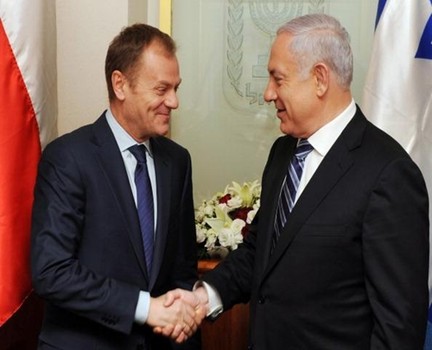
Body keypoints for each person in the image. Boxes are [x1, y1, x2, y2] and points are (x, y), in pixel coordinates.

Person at [177, 13, 429, 349]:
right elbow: (261, 252)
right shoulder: (283, 152)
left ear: (320, 79)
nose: (268, 94)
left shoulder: (389, 173)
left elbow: (399, 325)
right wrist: (204, 296)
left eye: (277, 79)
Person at [31, 23, 204, 350]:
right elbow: (52, 271)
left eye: (176, 88)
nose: (174, 101)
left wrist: (184, 320)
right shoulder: (68, 158)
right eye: (162, 89)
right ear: (120, 84)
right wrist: (144, 308)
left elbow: (182, 269)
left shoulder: (177, 161)